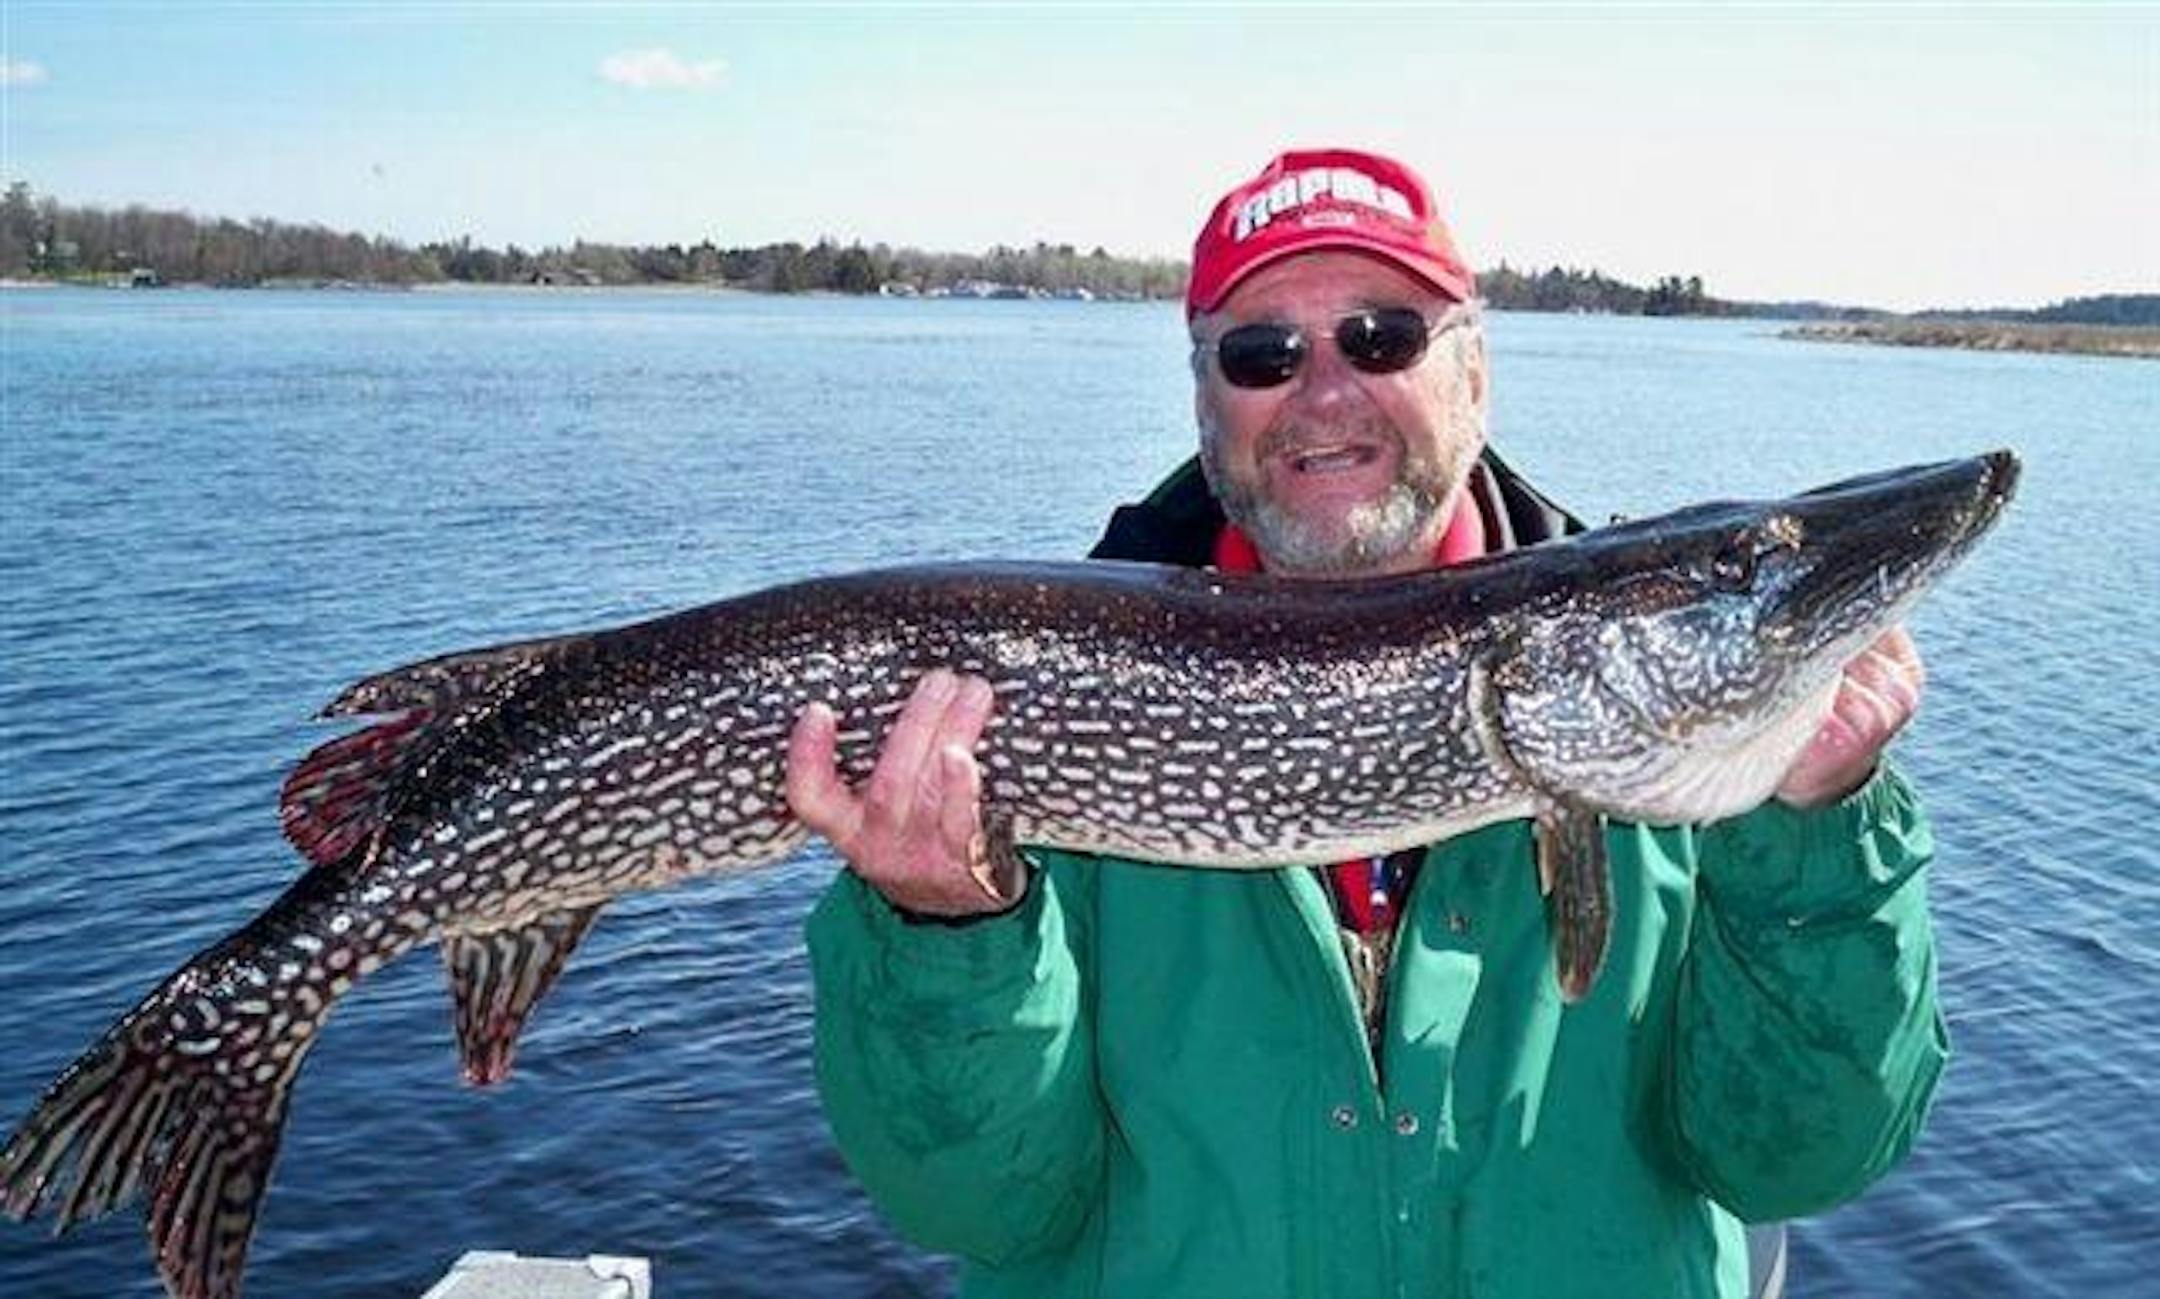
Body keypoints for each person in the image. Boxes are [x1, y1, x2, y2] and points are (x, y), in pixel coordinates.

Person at [785, 148, 1945, 1299]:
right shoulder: (1025, 704)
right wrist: (944, 930)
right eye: (1262, 354)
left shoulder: (1677, 744)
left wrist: (1819, 834)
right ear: (1206, 401)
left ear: (1474, 376)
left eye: (1383, 338)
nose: (1325, 394)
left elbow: (1798, 1163)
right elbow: (973, 1208)